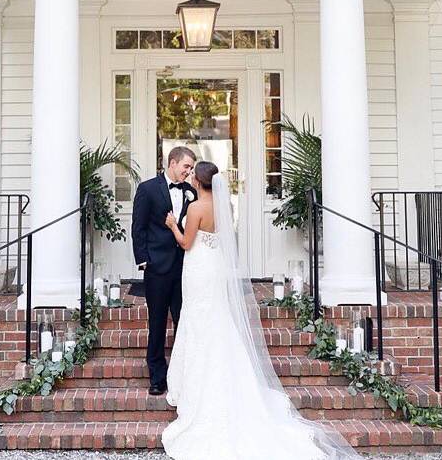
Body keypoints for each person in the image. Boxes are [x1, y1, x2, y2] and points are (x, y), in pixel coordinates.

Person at [160, 161, 359, 460]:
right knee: (214, 319)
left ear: (199, 182)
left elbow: (187, 243)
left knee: (197, 319)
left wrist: (173, 224)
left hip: (198, 269)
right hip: (213, 269)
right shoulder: (222, 206)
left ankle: (196, 388)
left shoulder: (198, 208)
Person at [131, 146, 198, 396]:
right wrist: (143, 260)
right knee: (157, 323)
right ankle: (157, 377)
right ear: (172, 163)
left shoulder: (191, 192)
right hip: (157, 268)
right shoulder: (147, 189)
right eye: (186, 167)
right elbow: (138, 227)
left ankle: (183, 375)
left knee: (184, 320)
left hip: (184, 267)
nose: (188, 172)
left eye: (191, 168)